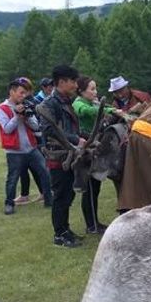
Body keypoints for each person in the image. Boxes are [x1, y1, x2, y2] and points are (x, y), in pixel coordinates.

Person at [39, 64, 86, 248]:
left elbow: (70, 127)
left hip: (70, 156)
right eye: (73, 81)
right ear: (62, 82)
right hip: (58, 157)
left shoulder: (66, 101)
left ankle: (65, 229)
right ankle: (59, 234)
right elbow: (49, 130)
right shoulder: (50, 104)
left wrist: (82, 138)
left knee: (67, 195)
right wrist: (76, 139)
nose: (76, 85)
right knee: (61, 196)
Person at [0, 77, 53, 215]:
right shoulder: (2, 108)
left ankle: (49, 199)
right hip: (14, 151)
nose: (23, 96)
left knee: (45, 172)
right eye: (21, 93)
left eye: (24, 93)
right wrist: (17, 116)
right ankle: (9, 204)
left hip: (31, 148)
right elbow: (7, 129)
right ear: (12, 92)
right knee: (13, 179)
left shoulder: (27, 105)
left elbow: (35, 126)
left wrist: (27, 117)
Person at [73, 75, 121, 234]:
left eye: (95, 88)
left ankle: (94, 223)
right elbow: (87, 111)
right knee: (90, 189)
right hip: (85, 151)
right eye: (92, 89)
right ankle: (92, 225)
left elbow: (102, 108)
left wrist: (112, 110)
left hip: (94, 149)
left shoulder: (92, 102)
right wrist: (105, 109)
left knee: (95, 189)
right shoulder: (79, 104)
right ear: (81, 91)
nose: (95, 92)